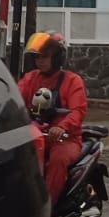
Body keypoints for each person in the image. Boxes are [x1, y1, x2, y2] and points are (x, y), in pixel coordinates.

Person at [19, 31, 88, 205]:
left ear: (57, 58)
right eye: (37, 57)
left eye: (45, 57)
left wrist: (62, 128)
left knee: (58, 160)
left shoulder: (73, 81)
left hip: (65, 140)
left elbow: (77, 111)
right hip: (34, 137)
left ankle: (47, 208)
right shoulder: (30, 79)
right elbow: (15, 99)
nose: (39, 61)